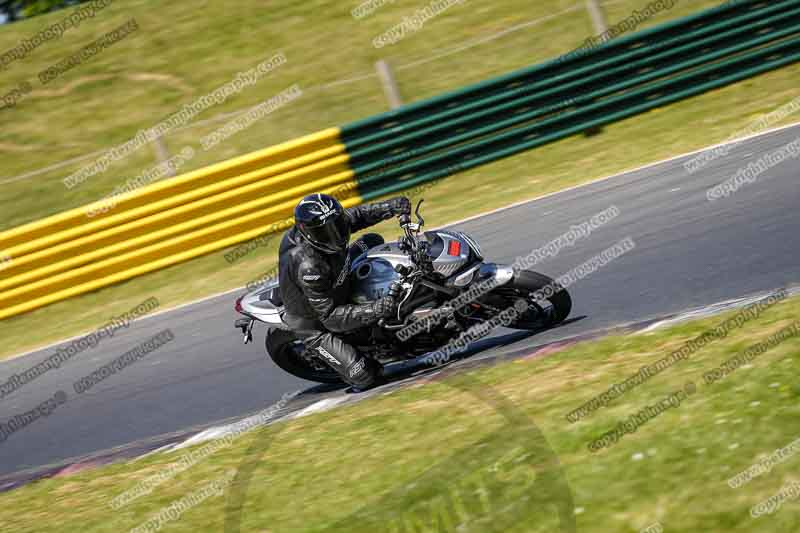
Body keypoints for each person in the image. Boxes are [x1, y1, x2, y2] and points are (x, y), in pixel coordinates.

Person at [278, 192, 411, 390]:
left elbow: (357, 215)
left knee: (372, 239)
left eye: (336, 226)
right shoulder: (309, 266)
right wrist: (375, 309)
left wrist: (390, 207)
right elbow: (330, 317)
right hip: (315, 321)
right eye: (326, 233)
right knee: (365, 376)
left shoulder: (325, 224)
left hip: (338, 274)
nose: (335, 236)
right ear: (307, 233)